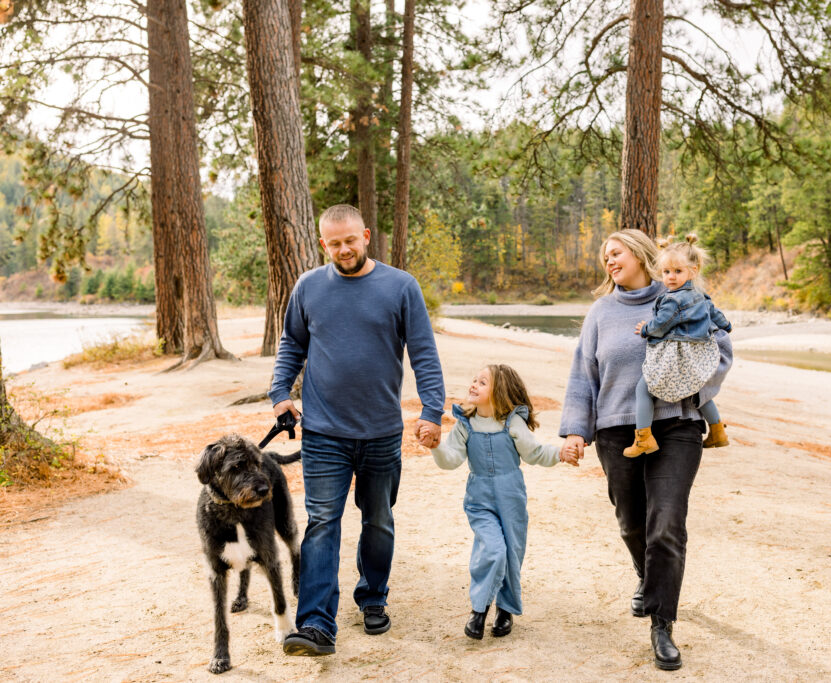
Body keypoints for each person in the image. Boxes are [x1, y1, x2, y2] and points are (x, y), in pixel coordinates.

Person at [270, 204, 445, 657]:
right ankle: (315, 625)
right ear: (323, 243)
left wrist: (431, 410)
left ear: (365, 236)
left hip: (381, 432)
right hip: (324, 432)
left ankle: (372, 596)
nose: (344, 249)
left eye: (351, 240)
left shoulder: (401, 286)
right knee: (322, 522)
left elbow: (423, 352)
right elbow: (292, 342)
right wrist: (280, 394)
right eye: (334, 242)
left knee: (379, 520)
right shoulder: (308, 287)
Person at [559, 229, 732, 671]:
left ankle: (662, 624)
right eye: (605, 257)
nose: (609, 262)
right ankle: (648, 576)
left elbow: (720, 350)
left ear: (639, 255)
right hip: (619, 431)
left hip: (678, 425)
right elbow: (584, 375)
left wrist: (694, 391)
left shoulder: (682, 292)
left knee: (666, 524)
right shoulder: (600, 313)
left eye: (615, 253)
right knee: (631, 524)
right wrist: (576, 430)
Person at [429, 364, 578, 640]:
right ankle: (479, 611)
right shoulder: (465, 424)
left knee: (511, 554)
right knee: (493, 550)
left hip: (512, 498)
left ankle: (505, 610)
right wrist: (436, 445)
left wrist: (561, 454)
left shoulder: (512, 422)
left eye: (482, 382)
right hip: (479, 499)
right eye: (473, 380)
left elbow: (534, 453)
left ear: (499, 391)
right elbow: (451, 460)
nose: (473, 385)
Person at [625, 234, 732, 457]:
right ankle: (718, 431)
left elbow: (662, 324)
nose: (671, 278)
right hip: (699, 352)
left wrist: (645, 329)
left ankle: (644, 437)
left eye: (677, 271)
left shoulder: (672, 300)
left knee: (644, 388)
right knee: (698, 390)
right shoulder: (702, 296)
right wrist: (727, 326)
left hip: (677, 353)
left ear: (693, 270)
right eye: (666, 272)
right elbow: (717, 316)